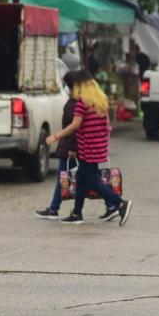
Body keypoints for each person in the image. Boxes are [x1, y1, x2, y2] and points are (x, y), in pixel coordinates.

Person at [45, 70, 132, 226]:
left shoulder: (82, 102)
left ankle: (120, 203)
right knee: (82, 179)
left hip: (86, 149)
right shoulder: (101, 101)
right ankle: (77, 213)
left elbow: (75, 125)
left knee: (92, 181)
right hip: (97, 149)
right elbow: (107, 127)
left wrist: (56, 136)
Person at [35, 71, 79, 220]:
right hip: (68, 147)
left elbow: (74, 129)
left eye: (65, 83)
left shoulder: (74, 104)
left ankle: (112, 202)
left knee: (67, 179)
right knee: (68, 179)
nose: (64, 86)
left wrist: (72, 148)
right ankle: (54, 208)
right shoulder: (75, 102)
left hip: (69, 148)